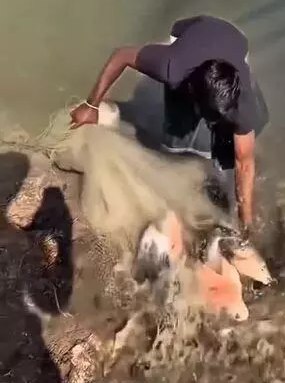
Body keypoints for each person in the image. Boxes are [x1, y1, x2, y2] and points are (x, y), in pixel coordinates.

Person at [70, 15, 269, 230]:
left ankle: (219, 164)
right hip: (189, 33)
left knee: (240, 136)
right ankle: (130, 114)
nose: (214, 125)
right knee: (174, 137)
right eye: (211, 118)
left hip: (234, 40)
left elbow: (244, 163)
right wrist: (91, 106)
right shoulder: (171, 68)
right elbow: (122, 55)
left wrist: (246, 221)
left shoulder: (242, 98)